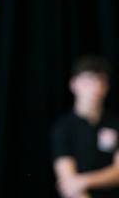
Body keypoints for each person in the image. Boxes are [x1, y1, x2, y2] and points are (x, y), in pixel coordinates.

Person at [51, 55, 119, 198]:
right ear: (74, 84)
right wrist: (78, 185)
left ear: (106, 86)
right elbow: (68, 182)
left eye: (100, 80)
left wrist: (84, 181)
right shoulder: (63, 128)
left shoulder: (115, 123)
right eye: (88, 80)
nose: (95, 86)